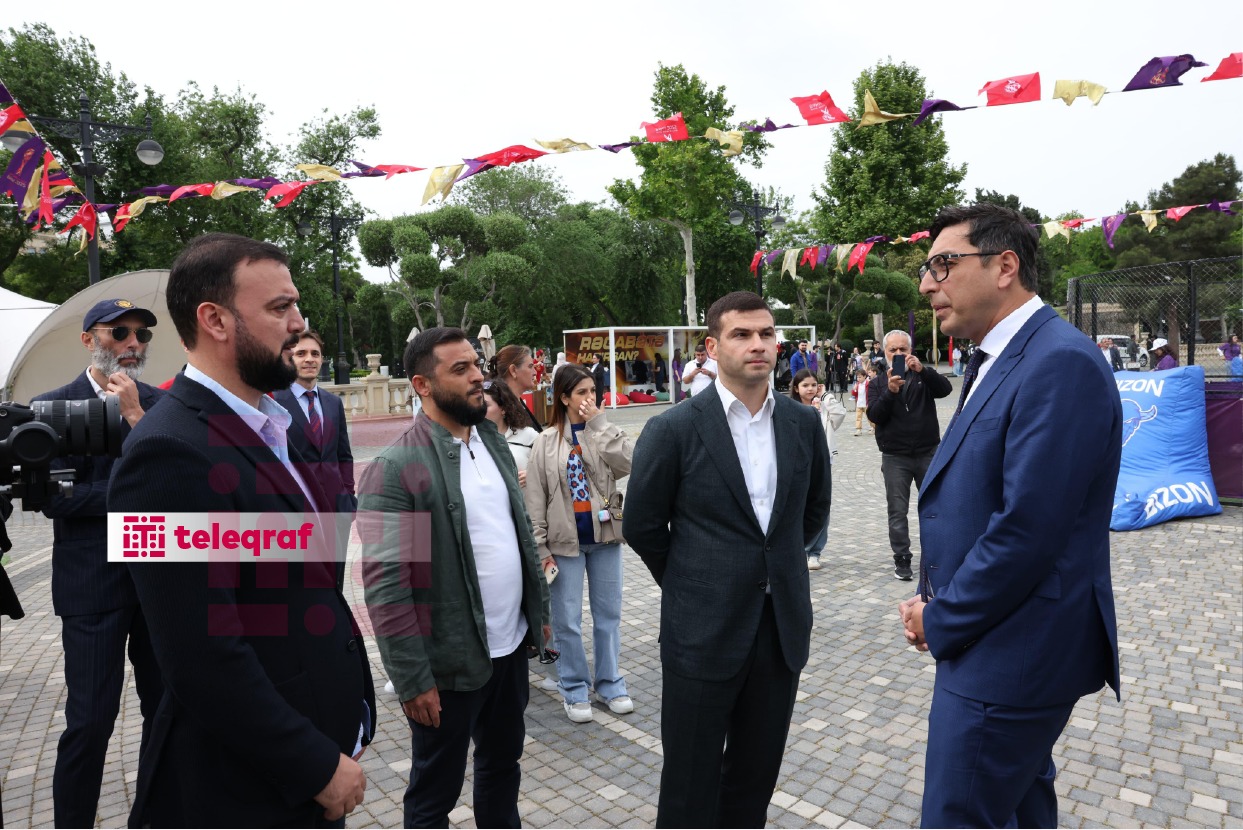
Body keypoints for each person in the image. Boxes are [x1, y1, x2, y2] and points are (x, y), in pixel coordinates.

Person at [108, 234, 374, 826]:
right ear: (215, 320)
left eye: (295, 305)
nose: (299, 324)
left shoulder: (272, 425)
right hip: (246, 791)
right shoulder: (164, 452)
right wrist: (312, 765)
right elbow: (199, 656)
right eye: (280, 307)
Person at [900, 203, 1121, 828]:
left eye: (943, 264)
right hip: (995, 640)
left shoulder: (1059, 362)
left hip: (1012, 655)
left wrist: (941, 617)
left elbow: (1028, 530)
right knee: (1022, 813)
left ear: (1005, 266)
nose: (927, 285)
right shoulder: (997, 356)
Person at [624, 291, 832, 828]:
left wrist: (776, 566)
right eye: (742, 334)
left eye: (766, 333)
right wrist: (692, 581)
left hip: (780, 629)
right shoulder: (673, 428)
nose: (757, 344)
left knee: (752, 782)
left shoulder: (802, 423)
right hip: (702, 631)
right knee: (689, 788)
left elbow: (813, 512)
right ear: (713, 347)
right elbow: (642, 525)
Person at [360, 327, 550, 828]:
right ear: (422, 385)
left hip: (509, 648)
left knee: (502, 766)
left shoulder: (491, 441)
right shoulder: (395, 467)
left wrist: (539, 613)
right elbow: (387, 587)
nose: (477, 377)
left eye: (477, 365)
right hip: (447, 664)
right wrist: (412, 678)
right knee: (434, 793)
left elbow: (519, 535)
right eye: (460, 369)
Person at [32, 298, 166, 828]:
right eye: (119, 333)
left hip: (157, 582)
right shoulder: (52, 406)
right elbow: (53, 499)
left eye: (141, 335)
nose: (132, 343)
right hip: (91, 587)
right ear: (89, 339)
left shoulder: (161, 405)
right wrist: (136, 494)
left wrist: (136, 418)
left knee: (165, 713)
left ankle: (154, 818)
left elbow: (177, 483)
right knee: (89, 722)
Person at [525, 363, 635, 723]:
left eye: (593, 391)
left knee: (608, 616)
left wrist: (599, 424)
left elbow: (629, 462)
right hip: (563, 544)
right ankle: (573, 687)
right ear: (564, 398)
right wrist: (541, 548)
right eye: (582, 392)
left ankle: (610, 683)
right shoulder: (544, 442)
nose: (590, 398)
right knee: (567, 620)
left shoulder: (601, 431)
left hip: (605, 538)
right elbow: (535, 500)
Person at [865, 330, 952, 581]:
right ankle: (902, 557)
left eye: (903, 349)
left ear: (910, 350)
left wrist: (923, 370)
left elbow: (946, 389)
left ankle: (935, 555)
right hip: (895, 456)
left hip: (927, 452)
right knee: (897, 511)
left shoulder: (922, 375)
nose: (898, 353)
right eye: (893, 350)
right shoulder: (877, 382)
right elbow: (875, 415)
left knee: (935, 507)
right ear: (885, 352)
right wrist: (890, 391)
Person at [274, 329, 357, 589]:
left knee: (336, 580)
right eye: (301, 353)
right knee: (306, 583)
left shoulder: (333, 403)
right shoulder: (273, 401)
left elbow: (343, 454)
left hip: (336, 507)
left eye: (315, 353)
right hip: (298, 509)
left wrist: (349, 496)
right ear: (290, 358)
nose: (309, 359)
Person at [789, 369, 844, 571]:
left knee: (821, 503)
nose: (810, 389)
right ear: (796, 388)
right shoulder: (790, 409)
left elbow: (840, 414)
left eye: (813, 385)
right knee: (798, 504)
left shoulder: (824, 407)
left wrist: (825, 397)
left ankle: (814, 552)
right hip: (796, 462)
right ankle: (798, 548)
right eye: (805, 385)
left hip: (822, 461)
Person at [491, 344, 543, 431]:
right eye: (530, 366)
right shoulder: (503, 412)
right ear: (513, 370)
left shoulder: (513, 404)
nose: (534, 372)